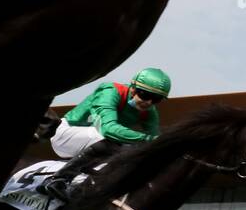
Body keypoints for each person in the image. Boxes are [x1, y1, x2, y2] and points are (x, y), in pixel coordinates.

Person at [39, 67, 171, 201]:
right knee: (111, 138)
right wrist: (147, 138)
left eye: (156, 99)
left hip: (94, 145)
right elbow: (108, 129)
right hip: (65, 134)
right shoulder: (110, 91)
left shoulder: (149, 111)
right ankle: (57, 179)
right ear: (133, 87)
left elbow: (156, 142)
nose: (149, 102)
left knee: (126, 155)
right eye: (145, 95)